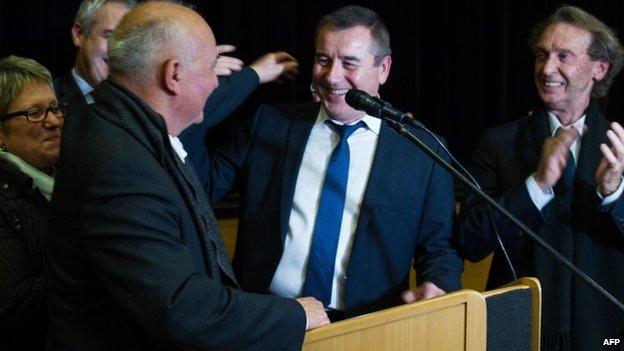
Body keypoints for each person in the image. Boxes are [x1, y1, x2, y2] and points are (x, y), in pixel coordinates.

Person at [45, 2, 328, 350]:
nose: (215, 82)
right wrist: (295, 315)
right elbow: (180, 307)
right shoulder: (122, 165)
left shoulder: (111, 122)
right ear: (174, 74)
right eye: (211, 69)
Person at [196, 5, 462, 320]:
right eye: (323, 60)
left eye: (349, 63)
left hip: (367, 327)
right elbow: (201, 185)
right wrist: (219, 85)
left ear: (383, 69)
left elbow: (439, 248)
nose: (332, 76)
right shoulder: (269, 125)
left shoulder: (422, 150)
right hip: (267, 318)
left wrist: (437, 285)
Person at [457, 5, 624, 350]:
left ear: (599, 68)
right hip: (517, 331)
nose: (547, 68)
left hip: (607, 333)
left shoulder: (620, 147)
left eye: (564, 56)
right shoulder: (499, 143)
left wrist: (615, 193)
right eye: (542, 55)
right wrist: (536, 186)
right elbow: (469, 240)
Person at [55, 0, 298, 124]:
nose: (121, 50)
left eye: (127, 39)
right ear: (78, 33)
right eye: (110, 36)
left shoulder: (149, 95)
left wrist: (198, 69)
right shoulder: (46, 98)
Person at [0, 55, 64, 350]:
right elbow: (13, 305)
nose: (52, 121)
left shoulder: (74, 175)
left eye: (53, 108)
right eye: (34, 113)